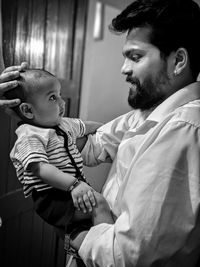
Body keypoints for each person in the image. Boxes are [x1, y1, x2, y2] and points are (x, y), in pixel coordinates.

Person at [1, 0, 200, 266]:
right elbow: (92, 145)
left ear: (178, 61)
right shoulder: (149, 112)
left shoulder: (182, 128)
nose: (124, 69)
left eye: (135, 56)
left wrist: (75, 235)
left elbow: (127, 257)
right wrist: (30, 116)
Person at [3, 68, 113, 251]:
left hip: (67, 190)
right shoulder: (29, 136)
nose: (62, 102)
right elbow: (40, 169)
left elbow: (86, 126)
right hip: (52, 197)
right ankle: (111, 253)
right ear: (28, 110)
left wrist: (109, 130)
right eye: (52, 97)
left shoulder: (62, 123)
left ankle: (79, 242)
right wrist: (74, 185)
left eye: (60, 95)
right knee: (98, 203)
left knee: (86, 225)